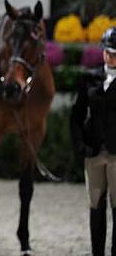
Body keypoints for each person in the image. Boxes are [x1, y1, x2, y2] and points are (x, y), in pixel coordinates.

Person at [71, 26, 116, 256]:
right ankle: (97, 251)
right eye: (108, 51)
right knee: (96, 204)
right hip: (95, 152)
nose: (111, 56)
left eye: (115, 53)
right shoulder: (89, 78)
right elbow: (77, 115)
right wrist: (80, 145)